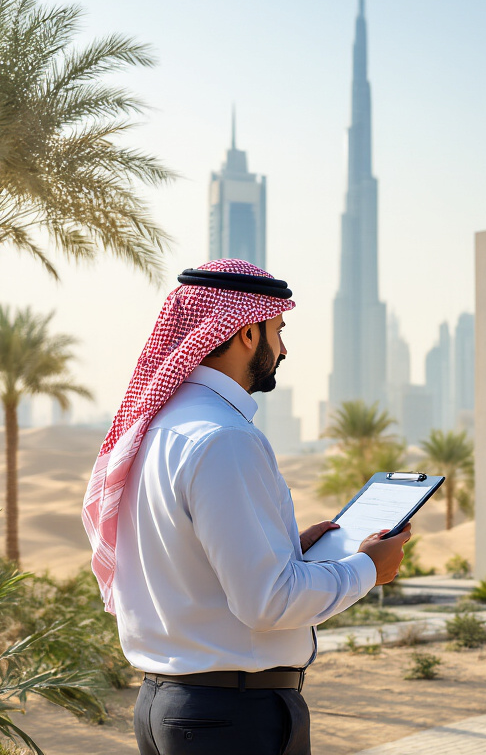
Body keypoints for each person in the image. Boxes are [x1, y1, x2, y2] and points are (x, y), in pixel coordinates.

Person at [82, 258, 410, 755]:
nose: (283, 348)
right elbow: (269, 603)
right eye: (277, 330)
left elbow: (186, 558)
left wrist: (284, 551)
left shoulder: (159, 428)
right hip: (230, 718)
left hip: (172, 708)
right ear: (245, 334)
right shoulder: (224, 439)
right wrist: (368, 567)